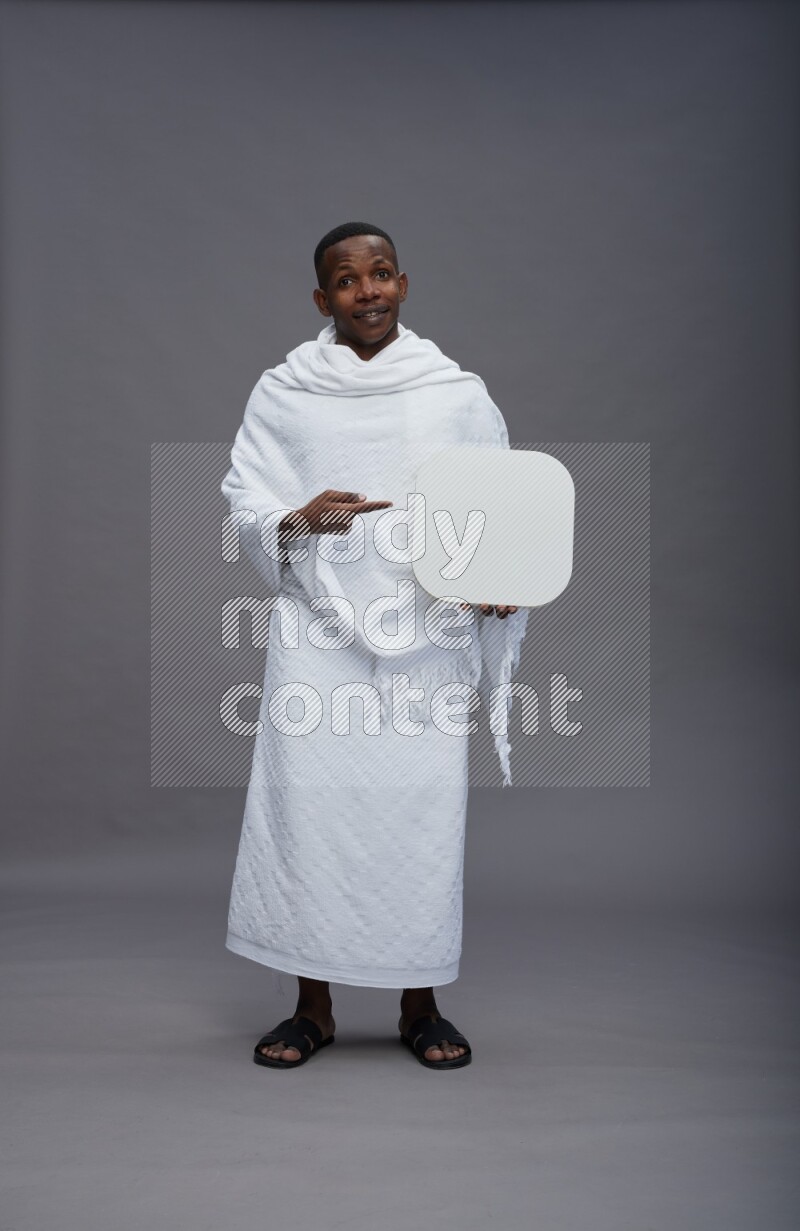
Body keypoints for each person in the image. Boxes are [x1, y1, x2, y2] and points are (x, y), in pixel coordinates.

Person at [221, 221, 529, 1070]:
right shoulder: (285, 391)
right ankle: (310, 1007)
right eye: (348, 281)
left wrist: (499, 576)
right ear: (324, 300)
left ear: (404, 282)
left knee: (418, 815)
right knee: (310, 811)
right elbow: (246, 495)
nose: (369, 292)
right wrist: (296, 518)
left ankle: (419, 1003)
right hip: (318, 631)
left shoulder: (453, 393)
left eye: (382, 274)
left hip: (426, 632)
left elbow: (496, 496)